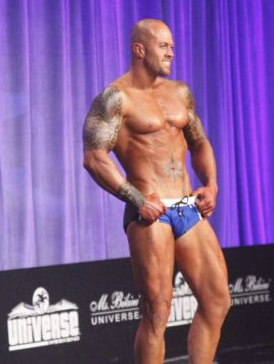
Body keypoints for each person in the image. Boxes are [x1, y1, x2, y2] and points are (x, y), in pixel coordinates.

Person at [82, 19, 231, 364]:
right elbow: (94, 158)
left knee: (217, 300)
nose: (171, 53)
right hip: (151, 213)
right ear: (139, 49)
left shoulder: (179, 93)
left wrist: (211, 185)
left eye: (172, 46)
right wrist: (136, 199)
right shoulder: (115, 98)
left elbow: (200, 142)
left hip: (186, 207)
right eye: (163, 46)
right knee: (157, 311)